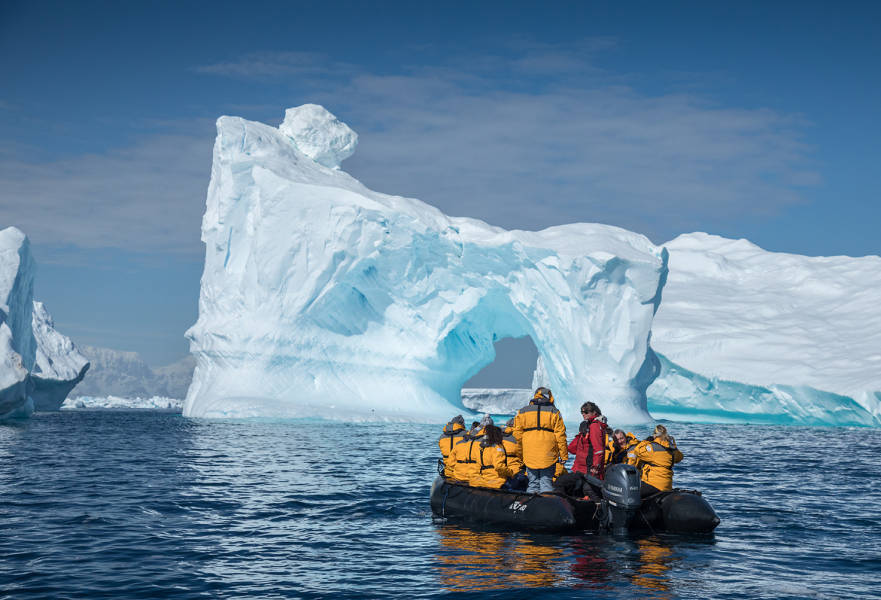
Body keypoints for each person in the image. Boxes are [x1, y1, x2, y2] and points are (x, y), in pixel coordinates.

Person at [512, 387, 568, 494]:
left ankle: (531, 507)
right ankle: (547, 506)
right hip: (548, 454)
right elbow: (560, 435)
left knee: (532, 483)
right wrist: (564, 455)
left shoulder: (522, 411)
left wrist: (520, 454)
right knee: (546, 482)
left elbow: (517, 435)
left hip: (529, 453)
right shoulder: (554, 412)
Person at [632, 424, 683, 497]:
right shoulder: (672, 449)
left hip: (653, 485)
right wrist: (674, 447)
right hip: (667, 486)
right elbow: (680, 457)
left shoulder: (652, 447)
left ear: (655, 434)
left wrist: (646, 441)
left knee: (631, 491)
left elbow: (637, 451)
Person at [449, 414, 493, 483]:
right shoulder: (488, 444)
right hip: (477, 477)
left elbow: (450, 462)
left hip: (458, 476)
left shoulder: (460, 443)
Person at [471, 424, 514, 488]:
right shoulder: (497, 447)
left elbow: (476, 465)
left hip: (481, 481)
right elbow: (499, 467)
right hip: (495, 481)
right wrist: (511, 473)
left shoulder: (480, 447)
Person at [501, 418, 528, 491]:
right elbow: (522, 455)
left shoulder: (498, 435)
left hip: (499, 469)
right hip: (514, 470)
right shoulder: (517, 437)